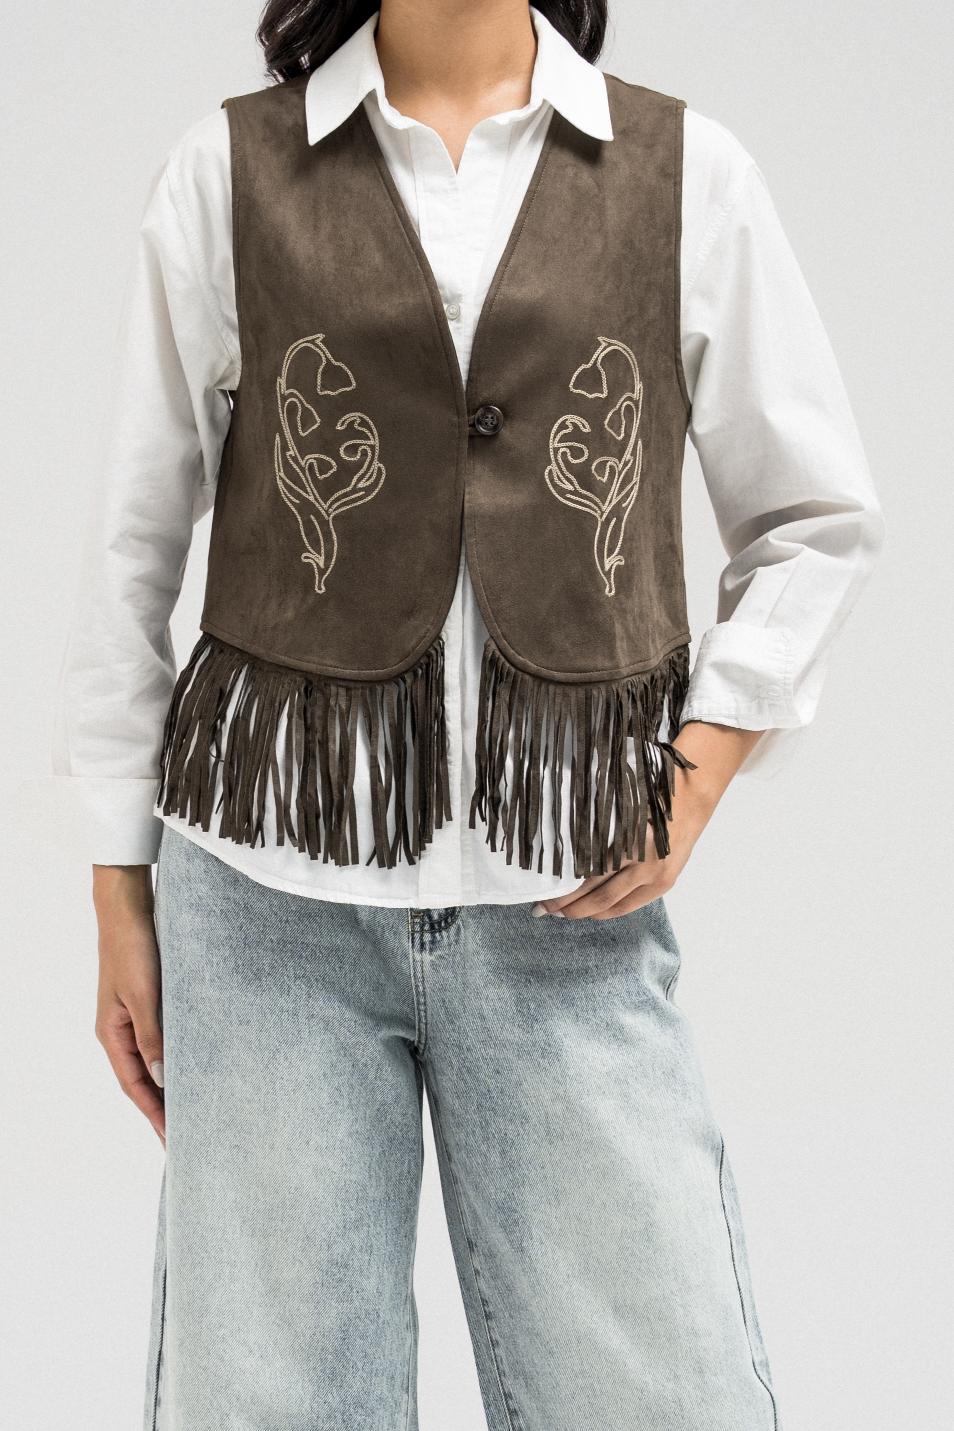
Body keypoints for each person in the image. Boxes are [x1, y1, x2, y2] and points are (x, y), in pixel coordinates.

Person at [53, 2, 885, 1426]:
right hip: (264, 911)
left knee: (657, 1391)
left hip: (568, 906)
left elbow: (817, 518)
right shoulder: (228, 170)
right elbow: (136, 540)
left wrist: (698, 769)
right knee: (271, 1403)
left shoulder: (682, 169)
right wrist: (118, 888)